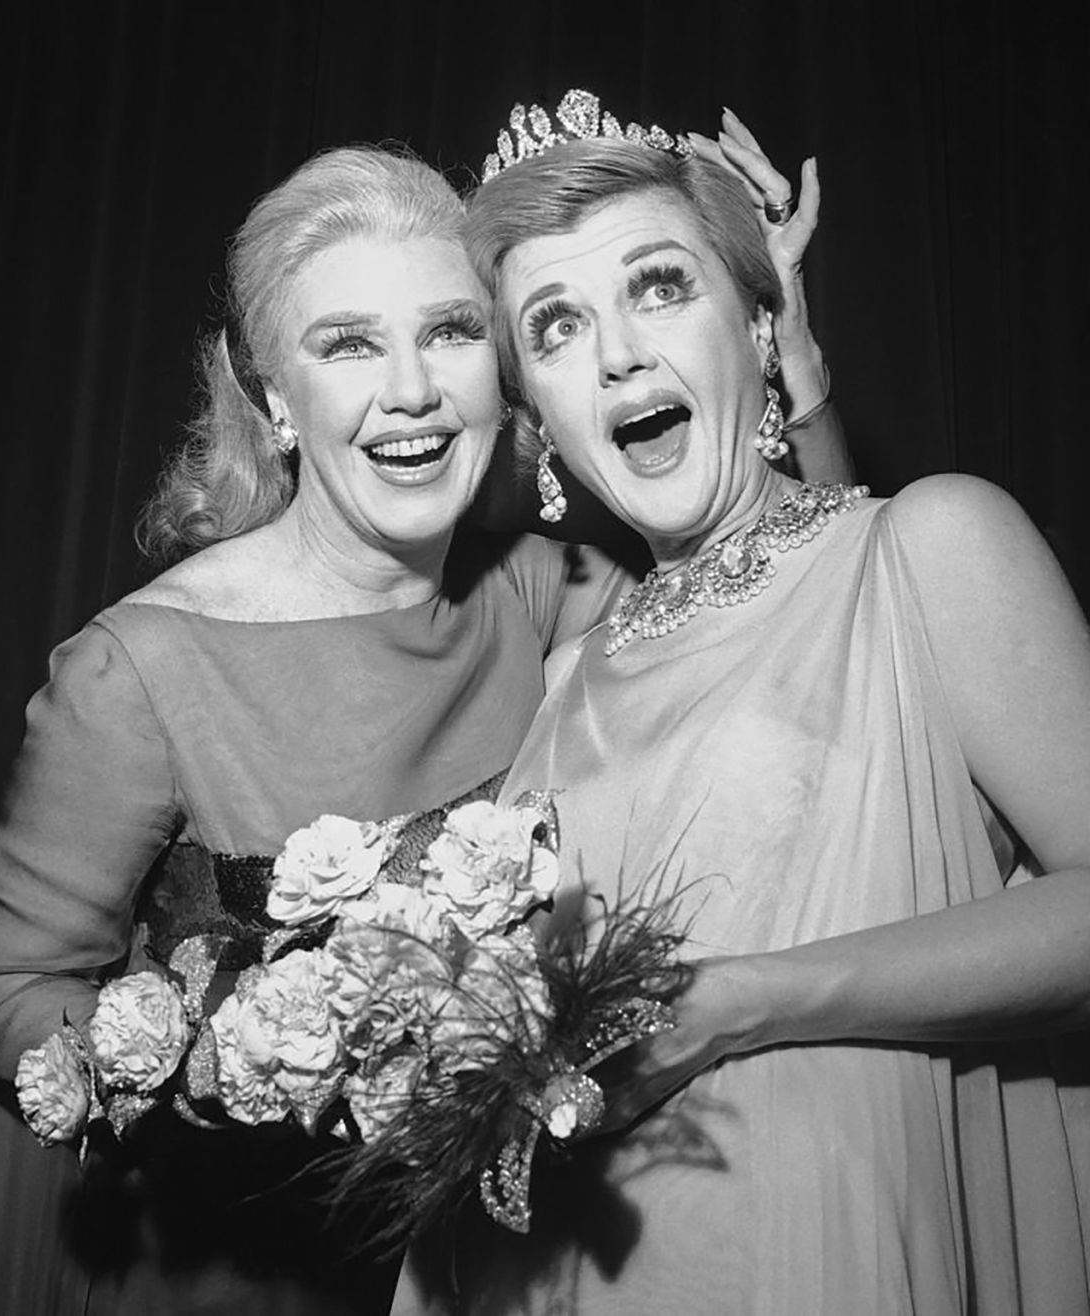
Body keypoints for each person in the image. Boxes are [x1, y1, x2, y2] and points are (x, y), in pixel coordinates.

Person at [0, 138, 849, 1316]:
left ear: (504, 370)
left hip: (502, 1255)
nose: (412, 390)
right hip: (237, 1265)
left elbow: (807, 603)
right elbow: (1, 990)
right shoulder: (139, 668)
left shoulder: (545, 587)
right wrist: (227, 1070)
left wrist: (788, 347)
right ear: (273, 397)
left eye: (451, 331)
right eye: (348, 344)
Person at [393, 99, 1090, 1314]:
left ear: (761, 330)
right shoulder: (564, 683)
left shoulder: (929, 544)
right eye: (555, 327)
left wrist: (738, 1001)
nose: (614, 355)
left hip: (824, 1249)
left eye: (659, 286)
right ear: (537, 422)